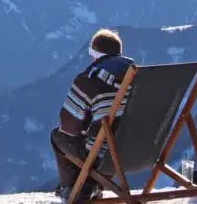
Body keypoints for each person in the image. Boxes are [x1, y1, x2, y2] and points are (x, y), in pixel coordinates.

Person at [50, 28, 134, 202]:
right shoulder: (137, 77)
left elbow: (68, 125)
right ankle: (89, 187)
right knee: (102, 141)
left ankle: (72, 190)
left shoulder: (89, 79)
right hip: (134, 150)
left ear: (95, 55)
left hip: (102, 155)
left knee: (58, 136)